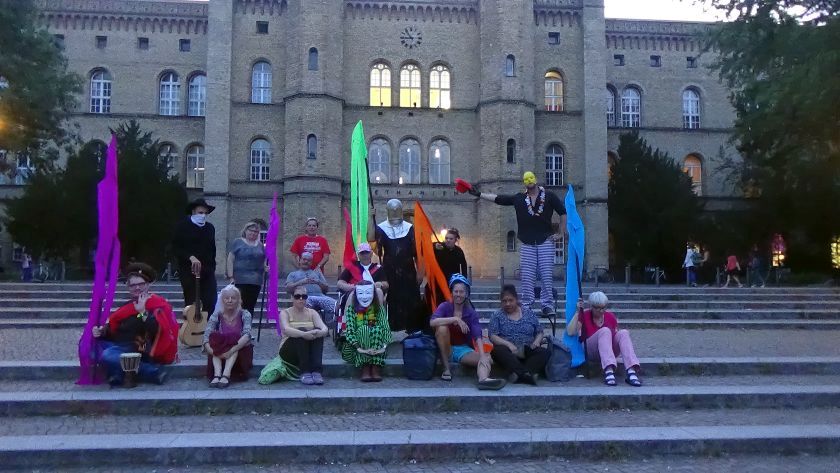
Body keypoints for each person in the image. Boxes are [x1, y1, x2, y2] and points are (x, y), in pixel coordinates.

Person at [471, 172, 567, 316]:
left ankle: (547, 305)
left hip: (545, 241)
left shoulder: (549, 196)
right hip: (527, 243)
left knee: (546, 275)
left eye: (531, 178)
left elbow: (563, 212)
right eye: (526, 179)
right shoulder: (519, 198)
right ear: (524, 182)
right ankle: (527, 305)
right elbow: (499, 199)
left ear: (535, 180)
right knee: (527, 277)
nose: (529, 181)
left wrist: (561, 232)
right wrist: (479, 194)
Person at [92, 263, 177, 387]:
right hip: (121, 345)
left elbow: (157, 330)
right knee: (91, 348)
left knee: (107, 355)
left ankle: (152, 371)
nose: (137, 288)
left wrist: (142, 312)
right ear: (128, 287)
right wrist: (101, 331)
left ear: (147, 285)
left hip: (140, 348)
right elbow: (117, 329)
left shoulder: (157, 305)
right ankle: (122, 374)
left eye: (141, 284)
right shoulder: (129, 304)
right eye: (133, 285)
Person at [430, 274, 506, 390]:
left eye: (461, 292)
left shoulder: (471, 313)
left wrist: (482, 355)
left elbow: (477, 335)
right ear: (452, 293)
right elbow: (432, 322)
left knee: (487, 358)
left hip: (463, 350)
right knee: (442, 328)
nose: (458, 294)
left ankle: (483, 380)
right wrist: (455, 319)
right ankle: (446, 368)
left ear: (466, 294)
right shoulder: (445, 306)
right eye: (456, 291)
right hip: (446, 348)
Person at [567, 291, 642, 387]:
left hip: (609, 350)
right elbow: (570, 332)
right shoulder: (585, 315)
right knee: (605, 331)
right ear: (591, 306)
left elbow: (616, 336)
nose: (601, 311)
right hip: (591, 350)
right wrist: (578, 312)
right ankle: (609, 371)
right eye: (597, 308)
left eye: (603, 307)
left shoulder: (610, 317)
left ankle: (631, 371)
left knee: (624, 333)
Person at [375, 198, 424, 332]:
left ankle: (413, 328)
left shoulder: (409, 228)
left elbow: (417, 252)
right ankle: (393, 327)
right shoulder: (381, 228)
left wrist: (420, 272)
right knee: (393, 298)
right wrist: (370, 219)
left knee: (411, 298)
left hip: (408, 270)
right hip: (390, 271)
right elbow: (376, 246)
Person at [488, 284, 548, 385]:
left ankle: (519, 374)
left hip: (527, 349)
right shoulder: (497, 315)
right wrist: (508, 344)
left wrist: (537, 341)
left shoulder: (528, 313)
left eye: (510, 300)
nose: (507, 304)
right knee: (497, 351)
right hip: (509, 352)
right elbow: (492, 335)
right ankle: (527, 375)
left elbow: (539, 331)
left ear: (516, 299)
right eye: (504, 301)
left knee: (544, 352)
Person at [202, 284, 253, 387]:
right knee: (214, 338)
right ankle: (217, 375)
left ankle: (226, 374)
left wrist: (230, 351)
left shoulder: (245, 314)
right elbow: (207, 335)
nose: (229, 301)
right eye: (226, 298)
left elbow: (247, 335)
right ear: (222, 300)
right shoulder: (216, 315)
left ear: (238, 300)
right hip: (220, 350)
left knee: (234, 338)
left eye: (233, 298)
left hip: (239, 349)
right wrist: (213, 351)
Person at [172, 198, 218, 312]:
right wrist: (190, 257)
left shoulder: (210, 228)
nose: (203, 216)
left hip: (207, 270)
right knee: (191, 301)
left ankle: (206, 322)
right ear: (193, 212)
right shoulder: (182, 226)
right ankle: (192, 322)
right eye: (200, 212)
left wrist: (212, 267)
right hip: (188, 270)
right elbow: (176, 247)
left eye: (205, 213)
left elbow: (212, 249)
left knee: (210, 300)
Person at [278, 286, 330, 385]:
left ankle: (317, 371)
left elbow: (324, 329)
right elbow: (286, 330)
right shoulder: (285, 313)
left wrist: (318, 333)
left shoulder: (312, 312)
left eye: (304, 296)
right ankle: (304, 371)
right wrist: (304, 334)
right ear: (292, 298)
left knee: (317, 332)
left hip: (308, 349)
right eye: (297, 296)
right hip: (288, 351)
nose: (301, 299)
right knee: (300, 332)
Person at [341, 281, 391, 382]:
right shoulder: (351, 309)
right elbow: (350, 331)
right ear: (356, 295)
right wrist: (359, 348)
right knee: (364, 329)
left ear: (373, 294)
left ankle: (375, 366)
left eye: (368, 293)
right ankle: (365, 366)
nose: (364, 297)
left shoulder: (379, 309)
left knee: (376, 329)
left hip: (378, 347)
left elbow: (385, 328)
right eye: (361, 293)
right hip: (355, 349)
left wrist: (384, 347)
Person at [336, 243, 388, 335]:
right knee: (353, 293)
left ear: (371, 254)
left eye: (366, 253)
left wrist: (380, 284)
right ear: (358, 255)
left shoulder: (378, 268)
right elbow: (340, 283)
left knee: (379, 291)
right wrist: (352, 287)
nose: (364, 255)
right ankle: (347, 327)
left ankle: (377, 323)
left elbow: (386, 284)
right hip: (355, 293)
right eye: (362, 253)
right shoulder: (352, 267)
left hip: (372, 295)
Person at [225, 221, 266, 314]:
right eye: (251, 230)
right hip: (239, 280)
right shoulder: (237, 242)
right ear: (245, 231)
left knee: (250, 306)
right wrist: (230, 276)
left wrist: (265, 267)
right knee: (238, 304)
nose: (253, 233)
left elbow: (262, 259)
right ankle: (237, 323)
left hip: (255, 281)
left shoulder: (260, 245)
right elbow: (230, 259)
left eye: (256, 231)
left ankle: (248, 323)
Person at [285, 251, 337, 323]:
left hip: (320, 297)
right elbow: (288, 288)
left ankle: (330, 324)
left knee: (336, 305)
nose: (306, 261)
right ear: (300, 260)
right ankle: (312, 324)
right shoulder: (293, 274)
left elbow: (327, 289)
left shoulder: (317, 273)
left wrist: (318, 282)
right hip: (304, 298)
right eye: (304, 259)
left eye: (309, 260)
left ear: (311, 263)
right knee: (305, 303)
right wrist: (300, 282)